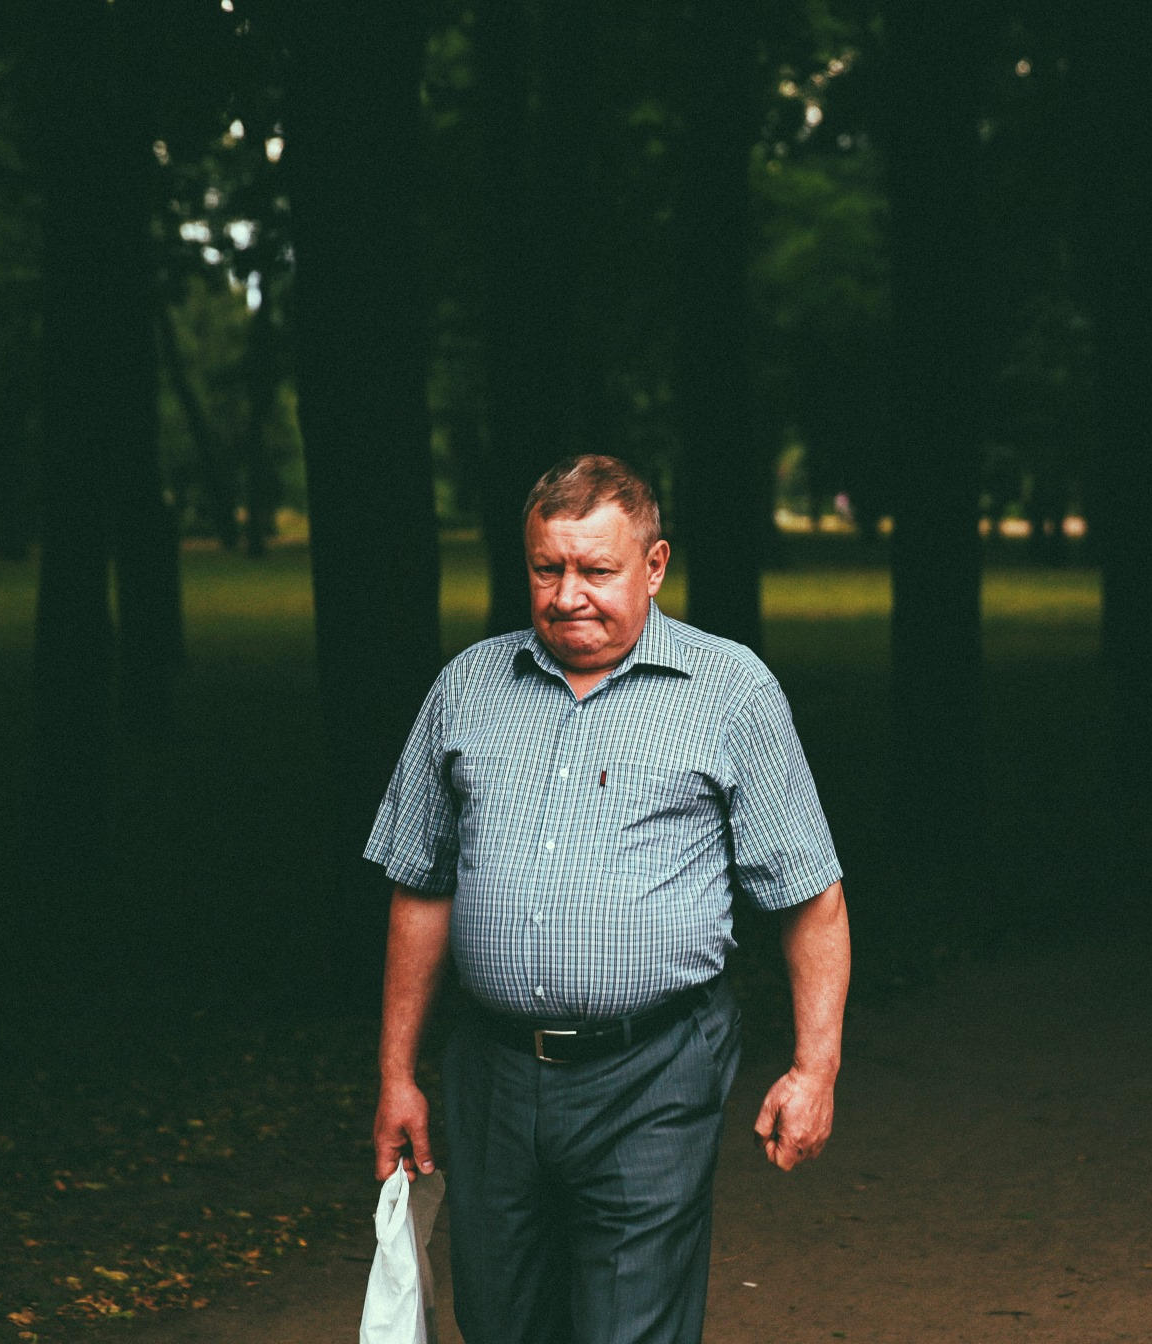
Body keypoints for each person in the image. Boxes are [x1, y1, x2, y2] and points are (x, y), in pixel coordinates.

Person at [364, 453, 851, 1344]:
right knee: (502, 1318)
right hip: (493, 1075)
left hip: (656, 1068)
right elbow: (420, 886)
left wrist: (814, 1070)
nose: (567, 595)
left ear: (655, 566)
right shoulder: (467, 686)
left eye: (597, 569)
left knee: (631, 1326)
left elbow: (810, 897)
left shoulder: (731, 691)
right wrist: (397, 1074)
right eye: (548, 568)